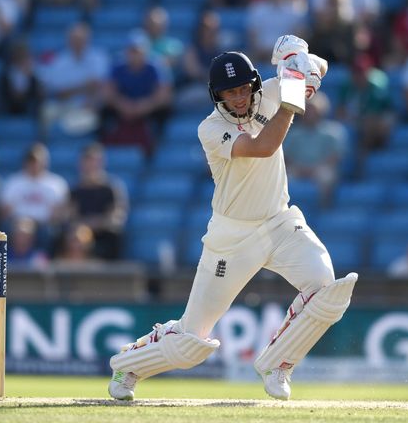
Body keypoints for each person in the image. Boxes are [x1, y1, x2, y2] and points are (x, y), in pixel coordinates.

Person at [108, 36, 357, 402]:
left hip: (280, 222)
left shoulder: (270, 92)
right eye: (229, 93)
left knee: (328, 291)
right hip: (232, 238)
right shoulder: (211, 129)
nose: (238, 99)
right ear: (216, 95)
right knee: (191, 341)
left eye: (243, 89)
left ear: (254, 84)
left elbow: (320, 65)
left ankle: (277, 364)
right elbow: (262, 147)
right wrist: (293, 95)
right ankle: (127, 364)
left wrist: (301, 60)